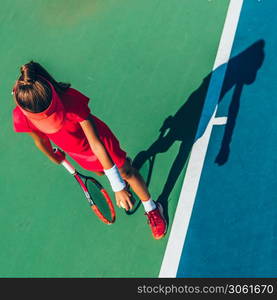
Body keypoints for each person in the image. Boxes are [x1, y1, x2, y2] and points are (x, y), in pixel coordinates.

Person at [12, 61, 167, 240]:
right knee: (101, 172)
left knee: (126, 172)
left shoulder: (71, 100)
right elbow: (40, 140)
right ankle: (120, 174)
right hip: (79, 154)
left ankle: (153, 208)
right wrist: (54, 157)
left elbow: (96, 143)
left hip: (100, 143)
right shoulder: (21, 116)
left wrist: (116, 186)